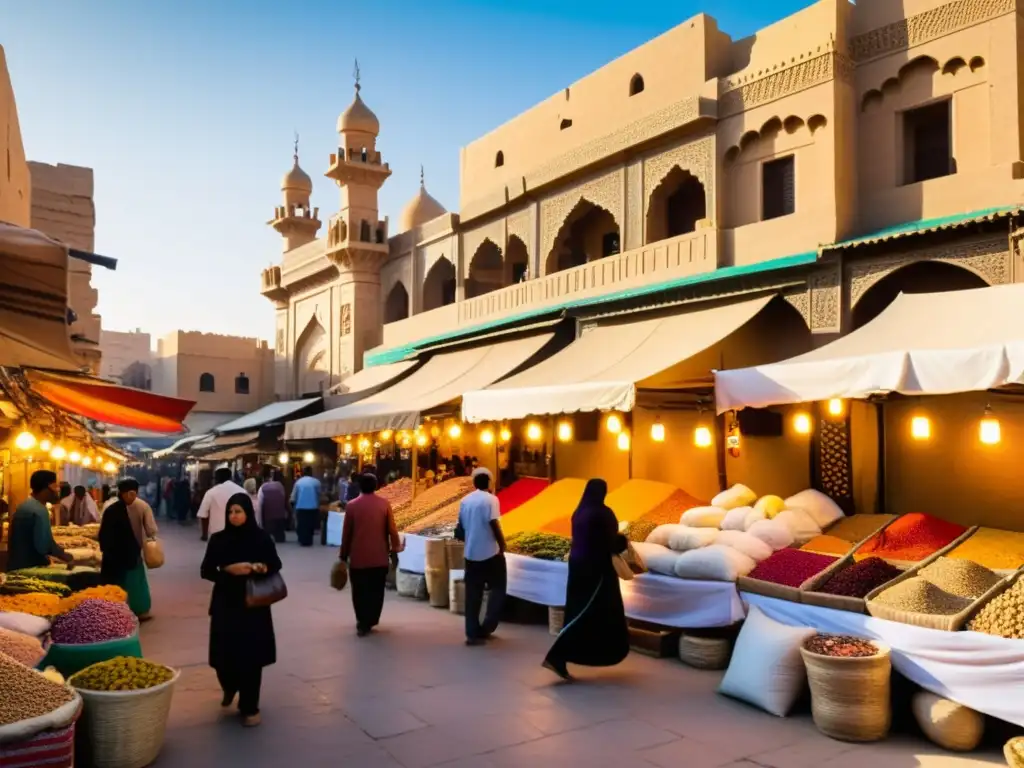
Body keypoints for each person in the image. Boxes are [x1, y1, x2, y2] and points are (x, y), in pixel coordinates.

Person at [200, 493, 281, 727]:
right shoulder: (218, 539)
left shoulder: (261, 538)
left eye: (238, 511)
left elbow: (275, 564)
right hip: (226, 603)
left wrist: (260, 567)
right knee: (223, 657)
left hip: (253, 605)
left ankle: (250, 706)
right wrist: (228, 571)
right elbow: (206, 571)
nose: (233, 516)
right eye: (230, 512)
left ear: (248, 512)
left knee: (251, 657)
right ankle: (229, 686)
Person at [543, 478, 629, 681]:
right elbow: (611, 542)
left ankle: (566, 656)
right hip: (597, 569)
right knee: (588, 612)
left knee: (577, 609)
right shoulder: (602, 513)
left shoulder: (579, 512)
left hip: (577, 566)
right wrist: (624, 541)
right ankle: (557, 656)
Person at [339, 473, 402, 636]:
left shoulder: (352, 506)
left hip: (358, 558)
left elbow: (346, 533)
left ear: (359, 486)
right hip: (379, 557)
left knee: (359, 590)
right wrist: (396, 548)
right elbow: (392, 529)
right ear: (376, 486)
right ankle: (372, 618)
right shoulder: (384, 504)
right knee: (376, 590)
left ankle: (362, 620)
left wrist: (343, 555)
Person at [455, 468, 507, 646]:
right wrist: (502, 544)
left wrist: (471, 538)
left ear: (474, 483)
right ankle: (487, 626)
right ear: (490, 483)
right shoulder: (491, 499)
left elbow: (460, 529)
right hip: (490, 553)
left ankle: (472, 633)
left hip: (471, 553)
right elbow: (493, 522)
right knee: (499, 587)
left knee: (473, 595)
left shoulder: (465, 501)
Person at [98, 478, 154, 618]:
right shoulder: (140, 506)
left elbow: (103, 535)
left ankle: (123, 611)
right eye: (130, 493)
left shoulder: (112, 508)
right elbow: (151, 530)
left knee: (126, 582)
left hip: (122, 554)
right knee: (132, 583)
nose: (132, 497)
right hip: (124, 554)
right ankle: (130, 611)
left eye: (134, 494)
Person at [7, 470, 72, 571]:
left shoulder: (25, 505)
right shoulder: (39, 511)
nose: (58, 492)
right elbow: (43, 546)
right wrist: (64, 555)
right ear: (47, 488)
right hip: (29, 568)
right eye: (56, 487)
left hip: (16, 565)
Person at [197, 468, 245, 542]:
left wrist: (204, 535)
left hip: (217, 535)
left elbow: (204, 516)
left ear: (216, 479)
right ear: (230, 477)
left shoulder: (211, 493)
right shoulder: (242, 491)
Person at [290, 466, 321, 547]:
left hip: (301, 506)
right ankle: (309, 540)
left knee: (302, 524)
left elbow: (294, 495)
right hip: (313, 506)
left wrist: (292, 504)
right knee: (310, 524)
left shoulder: (298, 482)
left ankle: (302, 539)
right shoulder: (316, 482)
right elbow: (319, 494)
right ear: (311, 472)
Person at [257, 471, 288, 543]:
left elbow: (260, 502)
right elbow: (284, 500)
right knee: (280, 536)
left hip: (268, 515)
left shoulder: (263, 487)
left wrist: (260, 522)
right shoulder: (281, 486)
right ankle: (279, 537)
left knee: (267, 533)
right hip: (280, 515)